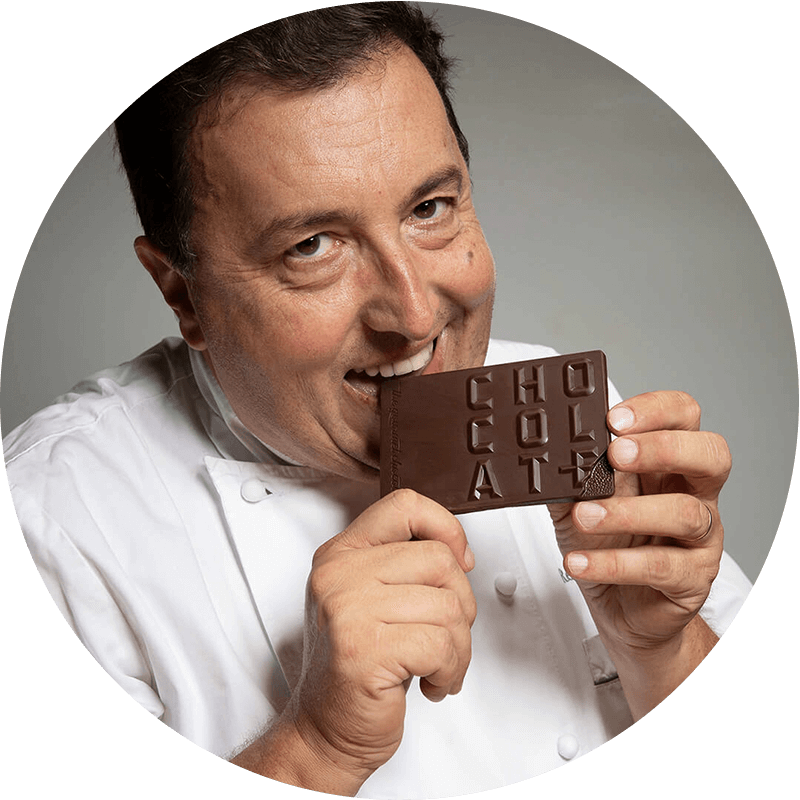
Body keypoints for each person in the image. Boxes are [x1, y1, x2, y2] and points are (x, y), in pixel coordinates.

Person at [4, 4, 751, 797]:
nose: (418, 318)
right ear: (180, 291)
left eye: (429, 209)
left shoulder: (570, 409)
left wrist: (661, 652)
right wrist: (317, 749)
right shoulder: (52, 521)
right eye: (312, 247)